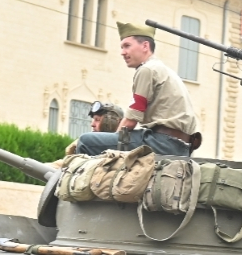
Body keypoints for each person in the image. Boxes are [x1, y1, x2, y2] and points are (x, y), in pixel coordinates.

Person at [74, 24, 201, 156]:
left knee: (85, 141)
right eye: (122, 47)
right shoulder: (162, 69)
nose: (122, 52)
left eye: (127, 46)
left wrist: (111, 148)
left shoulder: (146, 70)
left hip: (162, 142)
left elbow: (130, 121)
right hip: (180, 144)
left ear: (145, 46)